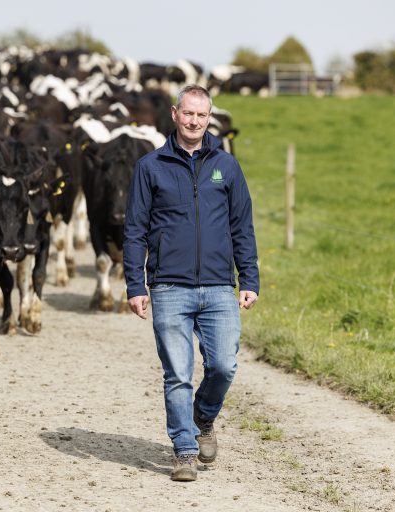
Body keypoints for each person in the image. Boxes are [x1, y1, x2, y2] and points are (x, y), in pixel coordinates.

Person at [123, 84, 259, 482]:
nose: (194, 121)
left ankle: (203, 416)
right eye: (188, 114)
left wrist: (248, 277)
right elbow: (135, 231)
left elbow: (242, 227)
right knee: (177, 373)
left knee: (223, 365)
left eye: (202, 115)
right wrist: (136, 284)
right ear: (174, 114)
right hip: (168, 286)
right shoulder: (150, 167)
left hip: (219, 286)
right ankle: (184, 450)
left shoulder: (227, 166)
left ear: (209, 117)